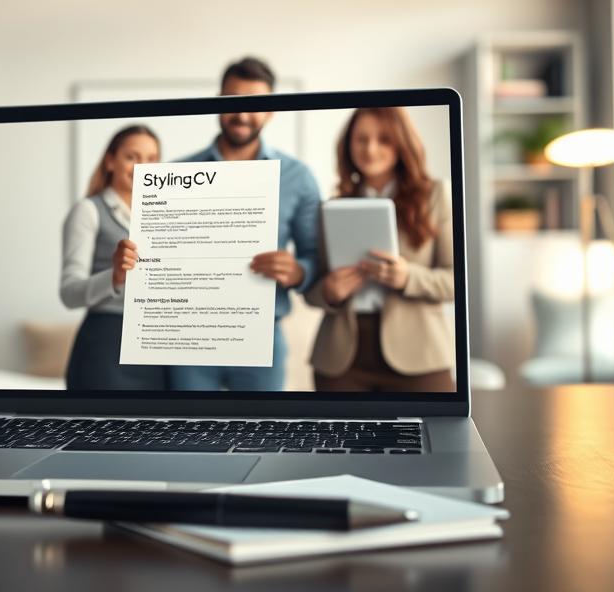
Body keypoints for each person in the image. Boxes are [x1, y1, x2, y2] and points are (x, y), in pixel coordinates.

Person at [168, 57, 321, 391]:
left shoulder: (298, 177)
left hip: (261, 336)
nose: (241, 114)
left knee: (263, 425)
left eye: (255, 103)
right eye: (232, 101)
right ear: (217, 103)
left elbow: (314, 255)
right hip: (189, 338)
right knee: (185, 425)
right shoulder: (176, 175)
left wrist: (298, 271)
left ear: (271, 111)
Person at [305, 107, 456, 392]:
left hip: (420, 353)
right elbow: (311, 288)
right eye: (361, 139)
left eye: (383, 139)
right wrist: (329, 291)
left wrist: (408, 278)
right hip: (341, 360)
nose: (370, 149)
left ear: (401, 143)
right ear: (348, 145)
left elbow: (457, 282)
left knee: (437, 422)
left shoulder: (435, 195)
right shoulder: (332, 207)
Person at [60, 125, 165, 390]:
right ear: (110, 161)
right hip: (106, 344)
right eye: (132, 157)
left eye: (151, 159)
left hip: (157, 344)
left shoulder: (167, 214)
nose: (142, 167)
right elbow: (69, 292)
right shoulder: (88, 210)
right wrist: (115, 275)